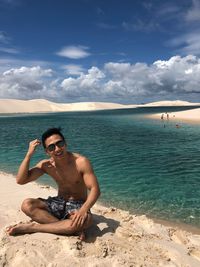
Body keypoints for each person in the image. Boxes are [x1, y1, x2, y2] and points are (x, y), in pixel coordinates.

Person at [7, 127, 100, 240]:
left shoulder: (81, 162)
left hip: (77, 205)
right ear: (47, 152)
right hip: (58, 202)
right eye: (51, 147)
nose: (57, 149)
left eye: (59, 143)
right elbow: (21, 180)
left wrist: (84, 210)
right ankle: (66, 228)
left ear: (65, 143)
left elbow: (95, 189)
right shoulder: (47, 165)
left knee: (85, 221)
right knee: (27, 205)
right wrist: (29, 155)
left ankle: (33, 227)